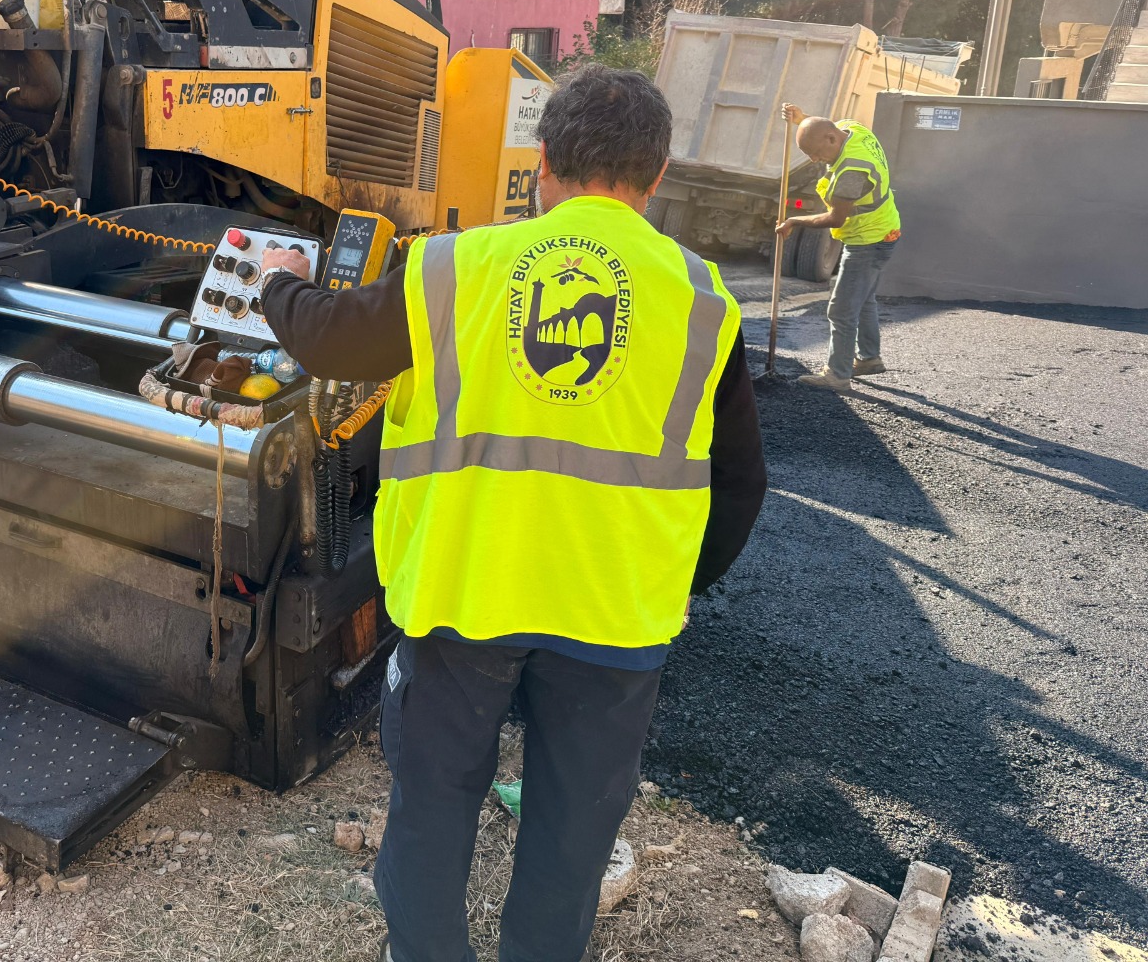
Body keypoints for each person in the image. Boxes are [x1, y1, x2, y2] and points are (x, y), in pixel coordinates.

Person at [259, 66, 768, 962]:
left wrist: (278, 284)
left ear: (543, 165)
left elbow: (328, 338)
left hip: (464, 597)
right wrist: (673, 583)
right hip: (614, 617)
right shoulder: (701, 300)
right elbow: (741, 486)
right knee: (571, 843)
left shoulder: (456, 269)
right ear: (656, 179)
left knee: (432, 813)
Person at [775, 104, 903, 392]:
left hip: (867, 240)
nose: (816, 160)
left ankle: (838, 374)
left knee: (841, 309)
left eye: (817, 154)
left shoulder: (851, 172)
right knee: (864, 299)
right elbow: (823, 126)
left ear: (832, 139)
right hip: (886, 230)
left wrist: (794, 219)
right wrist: (802, 119)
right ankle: (869, 359)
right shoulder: (852, 129)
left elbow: (835, 218)